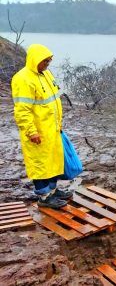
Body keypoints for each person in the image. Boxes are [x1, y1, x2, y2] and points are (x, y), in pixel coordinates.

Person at [11, 44, 72, 209]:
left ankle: (52, 191)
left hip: (51, 129)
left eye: (49, 61)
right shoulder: (22, 79)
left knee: (52, 162)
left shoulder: (45, 73)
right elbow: (22, 110)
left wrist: (58, 124)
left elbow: (52, 102)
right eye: (45, 61)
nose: (47, 64)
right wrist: (32, 132)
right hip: (37, 132)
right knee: (39, 165)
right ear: (35, 60)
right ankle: (44, 197)